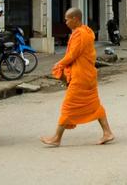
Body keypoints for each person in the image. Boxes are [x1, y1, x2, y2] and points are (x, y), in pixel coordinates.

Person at [41, 8, 114, 147]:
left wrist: (59, 63)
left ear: (75, 18)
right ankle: (107, 132)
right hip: (88, 75)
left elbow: (72, 55)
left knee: (68, 105)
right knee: (94, 104)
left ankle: (56, 138)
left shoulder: (80, 34)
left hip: (81, 76)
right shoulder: (85, 31)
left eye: (67, 19)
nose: (66, 22)